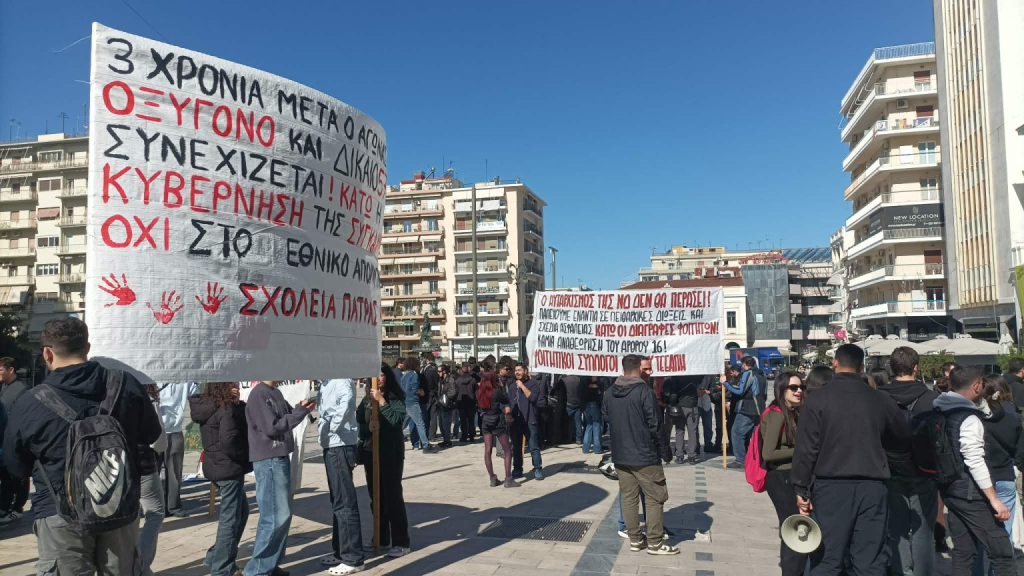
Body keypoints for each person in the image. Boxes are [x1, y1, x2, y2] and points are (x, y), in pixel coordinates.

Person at [3, 317, 162, 574]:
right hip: (119, 505)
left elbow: (15, 465)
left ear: (47, 352)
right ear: (87, 348)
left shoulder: (30, 401)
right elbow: (151, 433)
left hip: (58, 511)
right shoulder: (125, 383)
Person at [791, 343, 910, 574]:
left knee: (826, 558)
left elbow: (806, 449)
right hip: (872, 486)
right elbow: (903, 439)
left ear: (834, 363)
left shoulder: (817, 400)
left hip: (830, 487)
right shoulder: (880, 399)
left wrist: (800, 487)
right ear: (862, 366)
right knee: (870, 560)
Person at [933, 367, 1015, 576]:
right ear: (977, 386)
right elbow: (974, 460)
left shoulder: (940, 409)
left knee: (963, 552)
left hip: (950, 489)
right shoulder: (968, 418)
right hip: (971, 492)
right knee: (1002, 550)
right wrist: (994, 499)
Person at [603, 354, 679, 556]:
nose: (650, 372)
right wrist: (665, 451)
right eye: (646, 369)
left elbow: (606, 417)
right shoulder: (644, 391)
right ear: (637, 368)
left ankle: (636, 539)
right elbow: (655, 424)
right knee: (655, 497)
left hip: (621, 455)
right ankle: (654, 542)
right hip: (644, 454)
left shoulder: (610, 392)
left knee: (629, 497)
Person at [877, 346, 939, 576]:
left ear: (891, 368)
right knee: (924, 530)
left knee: (897, 528)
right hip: (924, 470)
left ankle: (901, 571)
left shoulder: (879, 397)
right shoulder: (931, 398)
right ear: (916, 367)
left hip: (889, 469)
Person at [244, 380, 314, 576]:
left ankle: (269, 565)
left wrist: (301, 408)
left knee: (279, 515)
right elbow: (273, 427)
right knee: (276, 516)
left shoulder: (275, 392)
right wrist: (300, 413)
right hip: (269, 460)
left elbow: (287, 416)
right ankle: (257, 570)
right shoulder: (259, 394)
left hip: (277, 457)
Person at [190, 382, 252, 576]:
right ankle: (222, 568)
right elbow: (229, 440)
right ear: (223, 388)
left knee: (240, 513)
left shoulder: (210, 406)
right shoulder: (225, 410)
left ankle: (215, 555)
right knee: (231, 519)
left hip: (217, 467)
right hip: (229, 468)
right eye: (232, 385)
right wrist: (246, 457)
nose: (237, 388)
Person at [357, 364, 412, 558]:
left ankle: (401, 541)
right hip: (371, 453)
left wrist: (382, 401)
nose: (378, 378)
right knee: (376, 498)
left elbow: (397, 421)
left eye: (381, 375)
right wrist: (368, 428)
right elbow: (360, 425)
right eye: (375, 375)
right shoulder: (365, 400)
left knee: (393, 497)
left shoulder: (394, 398)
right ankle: (380, 537)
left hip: (390, 453)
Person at [973, 375, 1024, 574]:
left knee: (976, 533)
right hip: (1004, 474)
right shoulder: (1013, 416)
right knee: (1004, 533)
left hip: (979, 477)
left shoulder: (973, 416)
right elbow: (1020, 449)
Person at [317, 378, 365, 574]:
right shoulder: (325, 383)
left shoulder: (340, 379)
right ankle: (340, 551)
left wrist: (332, 427)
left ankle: (353, 558)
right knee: (337, 501)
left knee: (345, 502)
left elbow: (348, 404)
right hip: (331, 445)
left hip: (339, 445)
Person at [761, 371, 805, 576]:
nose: (799, 391)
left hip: (790, 476)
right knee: (792, 526)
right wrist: (801, 449)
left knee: (794, 525)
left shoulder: (794, 412)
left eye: (801, 387)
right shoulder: (777, 414)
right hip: (780, 477)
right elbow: (768, 453)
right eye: (793, 388)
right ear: (781, 389)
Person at [158, 380, 199, 517]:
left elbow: (196, 393)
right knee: (156, 471)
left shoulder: (184, 380)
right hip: (155, 429)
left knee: (174, 470)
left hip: (174, 430)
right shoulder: (154, 377)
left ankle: (172, 505)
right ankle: (160, 506)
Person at [139, 385, 168, 576]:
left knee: (129, 518)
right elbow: (158, 439)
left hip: (116, 465)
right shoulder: (148, 401)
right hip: (143, 463)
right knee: (155, 513)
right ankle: (140, 565)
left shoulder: (108, 396)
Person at [0, 356, 30, 523]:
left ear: (10, 369)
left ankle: (17, 507)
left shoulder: (22, 390)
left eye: (0, 369)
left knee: (19, 475)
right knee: (6, 476)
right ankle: (4, 507)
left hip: (18, 439)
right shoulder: (3, 387)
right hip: (4, 439)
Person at [477, 371, 518, 488]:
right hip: (497, 421)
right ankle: (508, 479)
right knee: (507, 449)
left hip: (485, 421)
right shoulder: (496, 392)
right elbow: (506, 400)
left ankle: (492, 478)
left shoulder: (478, 392)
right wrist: (499, 385)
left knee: (488, 450)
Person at [723, 357, 765, 468]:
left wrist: (726, 384)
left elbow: (740, 390)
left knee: (736, 432)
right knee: (755, 435)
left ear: (744, 365)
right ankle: (757, 457)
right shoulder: (761, 374)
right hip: (760, 408)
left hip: (747, 408)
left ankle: (740, 460)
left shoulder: (748, 374)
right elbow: (764, 394)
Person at [510, 363, 545, 480]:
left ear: (525, 371)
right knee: (516, 447)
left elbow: (533, 398)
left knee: (533, 446)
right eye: (515, 370)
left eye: (519, 370)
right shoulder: (512, 386)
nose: (517, 373)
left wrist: (522, 387)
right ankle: (517, 469)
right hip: (516, 421)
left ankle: (537, 468)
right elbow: (509, 401)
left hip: (530, 420)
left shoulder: (533, 384)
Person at [399, 357, 437, 454]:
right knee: (420, 424)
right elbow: (415, 387)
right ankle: (425, 445)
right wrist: (421, 392)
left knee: (403, 424)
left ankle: (391, 439)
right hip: (413, 402)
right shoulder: (414, 375)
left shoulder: (404, 376)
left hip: (406, 401)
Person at [663, 375, 701, 464]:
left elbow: (673, 395)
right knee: (692, 432)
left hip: (681, 408)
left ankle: (679, 456)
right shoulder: (695, 377)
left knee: (679, 431)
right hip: (693, 407)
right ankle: (692, 456)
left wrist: (672, 403)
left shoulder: (676, 378)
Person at [455, 363, 479, 444]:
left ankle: (464, 436)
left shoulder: (458, 381)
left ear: (461, 370)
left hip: (461, 402)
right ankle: (471, 436)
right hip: (471, 402)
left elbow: (456, 391)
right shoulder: (473, 380)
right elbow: (476, 391)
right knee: (471, 420)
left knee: (463, 420)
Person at [421, 354, 442, 444]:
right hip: (435, 393)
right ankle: (432, 435)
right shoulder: (437, 369)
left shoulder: (424, 369)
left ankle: (426, 434)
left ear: (427, 360)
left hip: (427, 394)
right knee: (434, 415)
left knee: (426, 415)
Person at [581, 376, 604, 454]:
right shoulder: (594, 385)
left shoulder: (583, 384)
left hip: (586, 406)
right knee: (596, 425)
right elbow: (599, 395)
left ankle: (585, 448)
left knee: (589, 426)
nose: (597, 377)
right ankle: (597, 448)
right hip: (594, 405)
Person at [435, 364, 456, 448]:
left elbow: (453, 392)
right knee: (441, 423)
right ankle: (445, 440)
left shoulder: (450, 380)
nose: (438, 373)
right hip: (441, 405)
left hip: (447, 405)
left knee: (446, 424)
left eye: (439, 371)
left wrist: (445, 396)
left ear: (444, 371)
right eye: (437, 371)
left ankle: (447, 440)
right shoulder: (441, 380)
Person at [563, 374, 583, 446]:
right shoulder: (579, 379)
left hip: (568, 403)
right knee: (578, 422)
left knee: (568, 423)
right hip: (578, 403)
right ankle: (579, 439)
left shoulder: (564, 380)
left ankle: (569, 438)